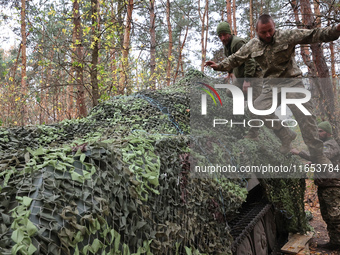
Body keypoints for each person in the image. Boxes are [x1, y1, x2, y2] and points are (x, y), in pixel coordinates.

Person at [205, 14, 340, 165]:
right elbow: (236, 57)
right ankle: (285, 134)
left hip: (292, 83)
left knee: (306, 119)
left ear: (274, 27)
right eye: (263, 32)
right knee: (256, 108)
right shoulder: (253, 45)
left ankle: (318, 155)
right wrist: (219, 66)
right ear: (256, 31)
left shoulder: (287, 35)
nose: (268, 35)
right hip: (271, 85)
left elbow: (313, 34)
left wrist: (335, 30)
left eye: (270, 30)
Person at [291, 121, 340, 250]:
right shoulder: (325, 144)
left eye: (321, 131)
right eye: (317, 131)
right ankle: (335, 242)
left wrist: (299, 152)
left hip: (332, 185)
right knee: (327, 216)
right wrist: (311, 163)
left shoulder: (331, 145)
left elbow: (321, 157)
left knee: (335, 216)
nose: (318, 133)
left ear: (328, 133)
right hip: (325, 185)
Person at [214, 21, 263, 140]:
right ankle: (247, 102)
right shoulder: (227, 46)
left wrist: (247, 81)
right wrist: (229, 73)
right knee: (230, 92)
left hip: (253, 76)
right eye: (220, 36)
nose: (222, 38)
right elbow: (232, 61)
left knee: (254, 106)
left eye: (224, 34)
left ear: (229, 33)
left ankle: (254, 134)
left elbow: (250, 61)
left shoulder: (238, 42)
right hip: (240, 77)